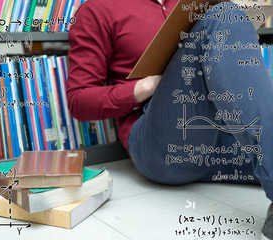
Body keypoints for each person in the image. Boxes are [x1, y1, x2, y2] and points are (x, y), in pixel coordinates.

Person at [66, 0, 273, 239]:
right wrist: (146, 85)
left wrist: (235, 46)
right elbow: (78, 100)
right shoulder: (98, 8)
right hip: (161, 141)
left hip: (223, 135)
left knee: (229, 16)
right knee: (225, 15)